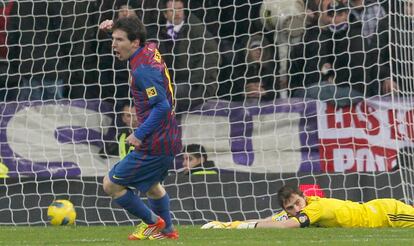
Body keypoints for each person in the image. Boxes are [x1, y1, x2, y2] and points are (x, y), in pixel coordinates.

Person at [99, 16, 182, 240]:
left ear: (135, 42)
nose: (113, 45)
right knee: (152, 186)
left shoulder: (142, 70)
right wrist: (113, 29)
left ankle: (153, 223)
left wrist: (139, 133)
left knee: (111, 184)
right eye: (113, 39)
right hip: (168, 136)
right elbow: (135, 31)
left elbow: (162, 106)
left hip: (155, 139)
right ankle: (167, 231)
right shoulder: (148, 49)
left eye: (118, 40)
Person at [202, 185, 414, 229]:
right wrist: (228, 224)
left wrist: (246, 229)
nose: (296, 209)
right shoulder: (299, 211)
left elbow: (284, 226)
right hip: (376, 212)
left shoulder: (314, 208)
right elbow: (269, 221)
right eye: (291, 208)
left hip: (387, 214)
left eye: (297, 203)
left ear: (304, 197)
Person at [147, 0, 219, 113]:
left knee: (169, 94)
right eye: (172, 10)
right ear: (165, 14)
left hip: (198, 84)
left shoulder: (195, 28)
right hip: (170, 82)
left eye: (180, 9)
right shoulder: (156, 32)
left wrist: (194, 80)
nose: (178, 13)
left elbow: (212, 54)